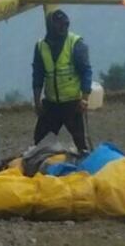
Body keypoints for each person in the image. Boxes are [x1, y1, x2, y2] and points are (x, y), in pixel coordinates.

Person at [32, 9, 92, 154]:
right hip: (51, 104)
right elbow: (38, 75)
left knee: (80, 145)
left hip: (72, 104)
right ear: (51, 27)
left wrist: (84, 99)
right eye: (59, 25)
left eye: (65, 25)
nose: (62, 28)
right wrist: (37, 100)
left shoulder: (75, 43)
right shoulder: (41, 46)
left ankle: (84, 169)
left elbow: (86, 71)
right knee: (39, 142)